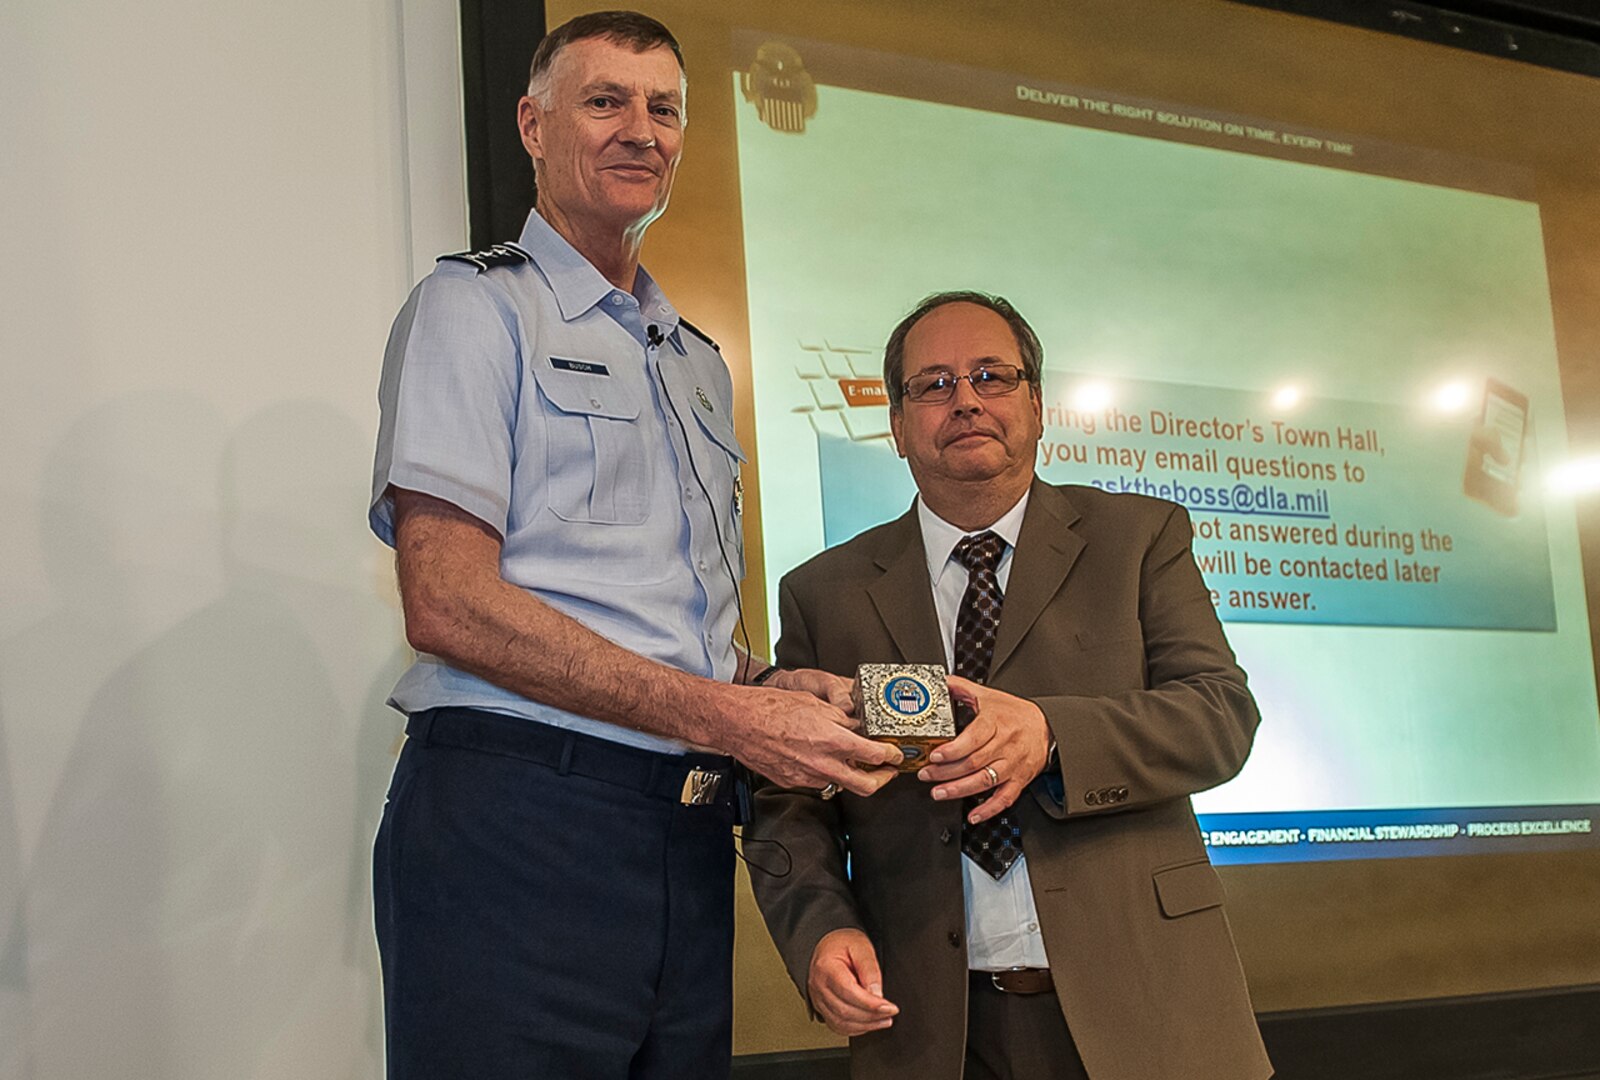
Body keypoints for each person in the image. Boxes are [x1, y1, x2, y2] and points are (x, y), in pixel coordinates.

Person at [365, 12, 899, 1080]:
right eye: (604, 101)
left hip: (685, 837)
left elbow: (663, 621)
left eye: (663, 110)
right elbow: (448, 605)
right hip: (523, 820)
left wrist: (771, 684)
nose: (638, 130)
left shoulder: (696, 360)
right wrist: (731, 715)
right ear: (532, 123)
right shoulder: (473, 309)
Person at [747, 292, 1272, 1080]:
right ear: (895, 425)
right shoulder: (825, 592)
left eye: (992, 376)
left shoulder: (1139, 540)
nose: (965, 398)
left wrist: (1053, 735)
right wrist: (818, 929)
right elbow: (788, 801)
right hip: (928, 1028)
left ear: (1035, 404)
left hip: (1151, 1012)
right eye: (933, 384)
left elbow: (1221, 716)